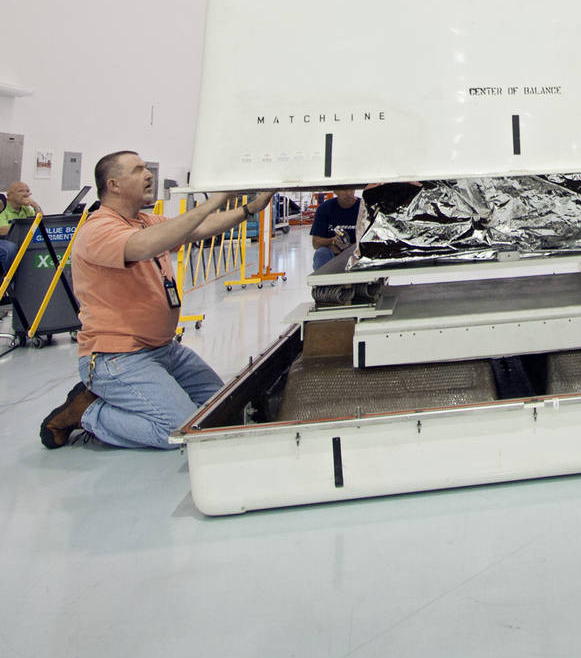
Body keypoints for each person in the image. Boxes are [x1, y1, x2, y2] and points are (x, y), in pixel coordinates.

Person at [40, 151, 274, 451]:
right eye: (138, 170)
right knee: (181, 430)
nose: (149, 174)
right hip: (117, 358)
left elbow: (199, 229)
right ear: (114, 184)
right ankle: (86, 413)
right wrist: (215, 198)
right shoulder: (98, 229)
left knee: (222, 411)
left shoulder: (145, 221)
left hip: (164, 350)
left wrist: (250, 209)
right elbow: (147, 245)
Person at [0, 180, 44, 282]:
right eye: (21, 191)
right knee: (10, 249)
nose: (26, 194)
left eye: (28, 191)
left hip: (18, 240)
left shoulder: (26, 209)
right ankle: (6, 286)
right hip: (5, 241)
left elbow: (40, 223)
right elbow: (2, 230)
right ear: (9, 195)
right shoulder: (3, 207)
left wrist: (35, 206)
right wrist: (24, 229)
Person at [310, 186, 363, 269]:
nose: (348, 193)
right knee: (321, 253)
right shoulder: (324, 209)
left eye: (351, 189)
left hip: (357, 253)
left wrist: (350, 248)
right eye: (344, 189)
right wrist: (333, 241)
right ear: (335, 191)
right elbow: (316, 242)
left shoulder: (363, 208)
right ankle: (323, 280)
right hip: (333, 253)